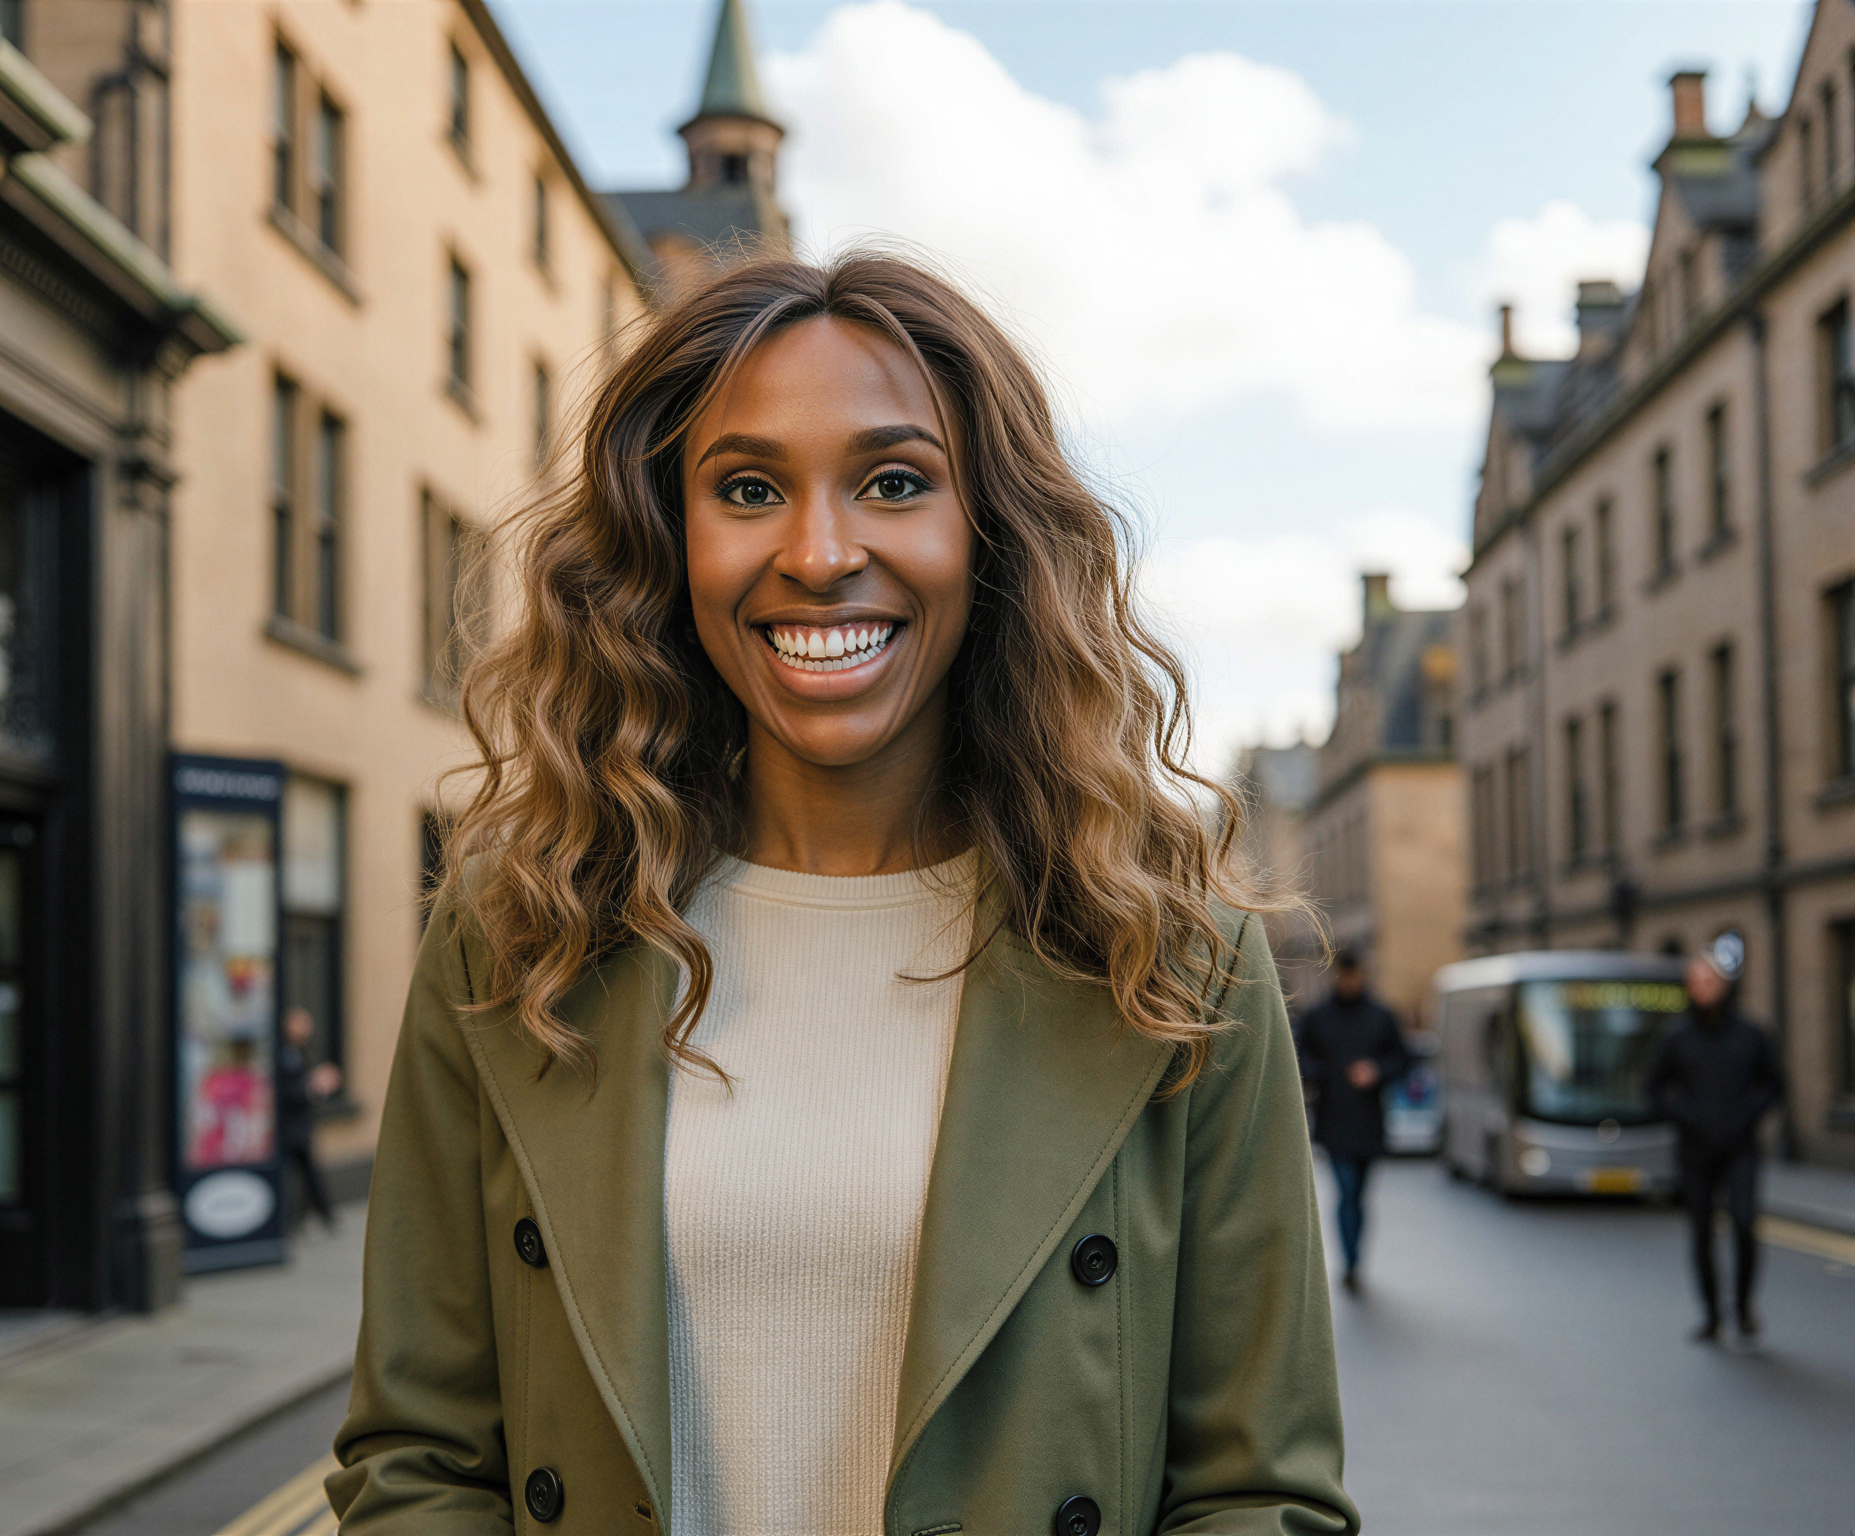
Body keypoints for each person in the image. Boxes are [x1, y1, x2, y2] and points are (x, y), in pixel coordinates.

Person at [327, 254, 1355, 1535]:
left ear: (988, 533)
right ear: (669, 537)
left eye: (893, 482)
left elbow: (1257, 1494)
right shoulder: (518, 923)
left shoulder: (1170, 949)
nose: (818, 554)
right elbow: (419, 1459)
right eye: (747, 489)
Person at [1645, 935, 1784, 1343]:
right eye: (1695, 980)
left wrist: (1748, 1119)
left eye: (1709, 979)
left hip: (1740, 1148)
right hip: (1695, 1151)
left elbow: (1774, 1086)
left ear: (1723, 984)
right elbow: (1654, 1089)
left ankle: (1742, 1308)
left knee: (1744, 1225)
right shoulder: (1676, 1037)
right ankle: (1711, 1314)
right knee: (1702, 1233)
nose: (1702, 987)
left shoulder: (1751, 1034)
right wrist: (1684, 1118)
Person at [1293, 951, 1410, 1292]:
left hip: (1369, 1121)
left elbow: (1402, 1059)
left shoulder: (1382, 1016)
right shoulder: (1317, 1017)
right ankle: (1350, 1262)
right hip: (1333, 1120)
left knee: (1358, 1194)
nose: (1349, 982)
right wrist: (1327, 1075)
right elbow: (1300, 1059)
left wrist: (1376, 1071)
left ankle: (1355, 1256)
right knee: (1346, 1192)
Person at [277, 1006, 342, 1231]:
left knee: (309, 1171)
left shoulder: (301, 1050)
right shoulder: (284, 1053)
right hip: (288, 1126)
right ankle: (294, 1219)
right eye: (300, 1023)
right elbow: (287, 1091)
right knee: (294, 1172)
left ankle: (319, 1215)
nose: (306, 1029)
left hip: (301, 1124)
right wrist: (314, 1087)